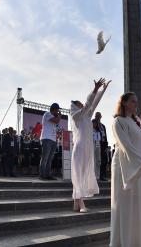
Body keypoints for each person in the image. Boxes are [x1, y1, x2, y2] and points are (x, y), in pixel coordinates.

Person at [110, 92, 141, 247]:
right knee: (123, 204)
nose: (136, 103)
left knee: (135, 204)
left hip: (136, 165)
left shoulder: (133, 121)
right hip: (124, 165)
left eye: (137, 101)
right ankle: (120, 242)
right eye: (133, 101)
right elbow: (125, 145)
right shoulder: (118, 121)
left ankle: (134, 242)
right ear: (124, 103)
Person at [70, 78, 110, 212]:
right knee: (79, 174)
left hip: (88, 148)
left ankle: (76, 202)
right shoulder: (76, 116)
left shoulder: (87, 116)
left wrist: (102, 90)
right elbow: (88, 104)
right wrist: (94, 90)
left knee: (84, 172)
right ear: (76, 106)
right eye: (80, 103)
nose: (83, 104)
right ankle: (81, 204)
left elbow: (94, 103)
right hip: (80, 148)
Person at [39, 103, 62, 180]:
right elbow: (57, 121)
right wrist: (60, 115)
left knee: (50, 158)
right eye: (58, 110)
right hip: (46, 138)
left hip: (53, 139)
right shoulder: (47, 114)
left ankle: (48, 174)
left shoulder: (54, 117)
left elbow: (56, 126)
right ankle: (42, 174)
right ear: (54, 109)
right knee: (45, 157)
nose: (58, 112)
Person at [95, 112, 109, 181]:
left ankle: (102, 174)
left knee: (105, 160)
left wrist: (106, 144)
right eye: (96, 116)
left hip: (103, 144)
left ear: (101, 117)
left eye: (98, 116)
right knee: (98, 160)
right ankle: (98, 175)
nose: (97, 117)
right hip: (97, 145)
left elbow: (105, 135)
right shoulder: (93, 123)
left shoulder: (103, 126)